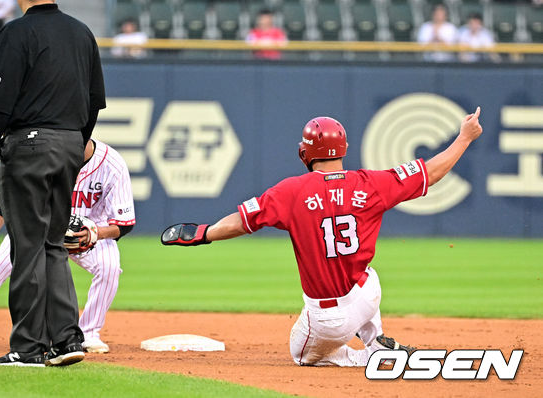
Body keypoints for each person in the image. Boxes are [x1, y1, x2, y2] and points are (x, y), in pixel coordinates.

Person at [161, 110, 483, 367]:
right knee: (368, 275)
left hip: (329, 319)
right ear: (342, 149)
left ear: (306, 152)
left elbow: (243, 221)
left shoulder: (291, 192)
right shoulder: (370, 184)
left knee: (299, 354)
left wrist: (203, 233)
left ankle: (367, 356)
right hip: (366, 296)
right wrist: (464, 138)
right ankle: (376, 338)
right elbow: (431, 171)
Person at [0, 0, 106, 367]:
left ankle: (28, 348)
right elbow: (94, 104)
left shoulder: (14, 34)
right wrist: (74, 144)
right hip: (70, 144)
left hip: (28, 145)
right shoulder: (82, 34)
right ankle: (68, 341)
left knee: (28, 247)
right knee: (53, 246)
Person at [0, 139, 135, 355]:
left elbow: (124, 223)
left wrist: (96, 233)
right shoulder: (46, 155)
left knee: (109, 266)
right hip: (38, 229)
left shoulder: (112, 164)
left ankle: (88, 332)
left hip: (87, 237)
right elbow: (12, 197)